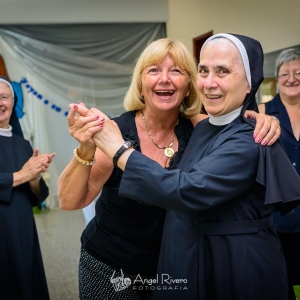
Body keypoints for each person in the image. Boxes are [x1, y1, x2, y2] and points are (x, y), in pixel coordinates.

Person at [75, 34, 300, 300]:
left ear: (249, 82)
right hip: (184, 255)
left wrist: (119, 150)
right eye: (203, 70)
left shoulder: (250, 137)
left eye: (223, 71)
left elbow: (187, 189)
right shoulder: (203, 125)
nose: (209, 82)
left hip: (240, 261)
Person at [0, 77, 55, 300]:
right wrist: (22, 174)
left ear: (13, 103)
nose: (0, 103)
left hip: (22, 231)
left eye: (4, 97)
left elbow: (37, 194)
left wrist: (34, 177)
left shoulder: (22, 144)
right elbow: (19, 177)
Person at [258, 48, 300, 299]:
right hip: (277, 212)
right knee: (281, 278)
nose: (292, 78)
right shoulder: (262, 112)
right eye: (285, 73)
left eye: (298, 72)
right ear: (277, 78)